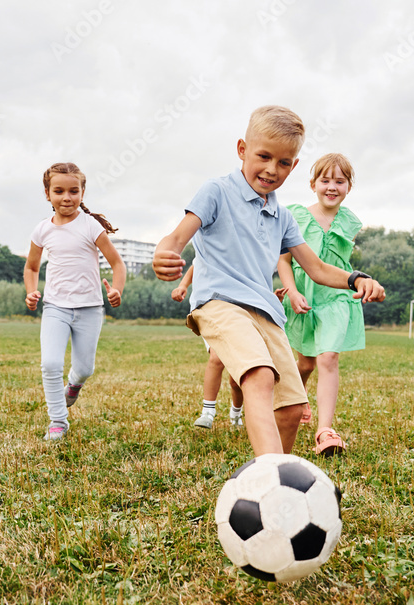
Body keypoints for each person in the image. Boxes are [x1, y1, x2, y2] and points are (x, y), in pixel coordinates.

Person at [153, 105, 385, 458]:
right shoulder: (216, 191)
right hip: (219, 302)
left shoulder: (283, 215)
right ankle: (272, 480)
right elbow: (176, 238)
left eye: (284, 163)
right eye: (264, 156)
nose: (272, 170)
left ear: (293, 166)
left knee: (292, 408)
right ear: (242, 150)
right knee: (259, 376)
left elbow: (317, 268)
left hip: (266, 311)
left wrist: (357, 278)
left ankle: (280, 481)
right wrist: (164, 254)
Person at [24, 162, 126, 441]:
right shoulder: (42, 230)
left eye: (73, 191)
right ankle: (58, 420)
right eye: (58, 191)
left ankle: (74, 384)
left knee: (84, 369)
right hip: (55, 307)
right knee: (50, 364)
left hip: (90, 308)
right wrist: (31, 291)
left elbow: (117, 263)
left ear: (82, 192)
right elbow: (32, 267)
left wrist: (116, 289)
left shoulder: (90, 225)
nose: (66, 197)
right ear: (48, 194)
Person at [275, 153, 366, 456]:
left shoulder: (351, 221)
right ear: (313, 183)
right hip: (303, 294)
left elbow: (338, 262)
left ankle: (324, 431)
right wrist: (291, 291)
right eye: (325, 180)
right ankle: (296, 398)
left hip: (337, 296)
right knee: (305, 362)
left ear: (348, 187)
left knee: (327, 358)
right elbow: (283, 259)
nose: (332, 187)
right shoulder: (296, 215)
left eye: (339, 181)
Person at [172, 265, 244, 429]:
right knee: (217, 357)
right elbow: (197, 263)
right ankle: (208, 412)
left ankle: (236, 413)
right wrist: (183, 285)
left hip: (239, 309)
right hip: (209, 308)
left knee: (236, 377)